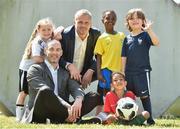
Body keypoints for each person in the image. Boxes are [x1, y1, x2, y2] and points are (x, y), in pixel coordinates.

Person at [21, 40, 102, 124]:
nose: (54, 53)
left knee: (94, 96)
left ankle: (66, 119)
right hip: (41, 112)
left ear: (61, 53)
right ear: (45, 51)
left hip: (62, 110)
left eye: (57, 50)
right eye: (51, 49)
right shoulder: (35, 69)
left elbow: (76, 88)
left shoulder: (65, 72)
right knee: (45, 91)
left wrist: (78, 100)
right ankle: (74, 120)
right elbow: (43, 90)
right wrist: (68, 107)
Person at [15, 18, 61, 122]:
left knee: (35, 93)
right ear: (38, 30)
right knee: (24, 92)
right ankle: (19, 116)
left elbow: (61, 29)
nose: (46, 32)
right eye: (43, 30)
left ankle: (34, 114)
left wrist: (58, 33)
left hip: (37, 69)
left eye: (49, 29)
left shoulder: (49, 40)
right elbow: (36, 58)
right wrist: (50, 58)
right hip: (27, 69)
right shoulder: (37, 41)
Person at [121, 8, 159, 125]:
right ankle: (129, 119)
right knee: (129, 96)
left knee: (144, 96)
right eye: (131, 18)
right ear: (128, 22)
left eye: (138, 18)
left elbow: (156, 42)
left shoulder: (146, 35)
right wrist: (122, 72)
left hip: (143, 72)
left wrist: (150, 30)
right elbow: (124, 56)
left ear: (143, 21)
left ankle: (150, 120)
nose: (135, 20)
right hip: (128, 73)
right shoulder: (127, 39)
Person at [59, 9, 101, 89]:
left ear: (91, 24)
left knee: (105, 70)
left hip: (85, 71)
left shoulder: (95, 34)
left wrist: (91, 70)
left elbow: (100, 56)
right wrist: (69, 65)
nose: (83, 25)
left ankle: (102, 97)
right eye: (80, 22)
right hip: (67, 72)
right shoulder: (65, 35)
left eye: (86, 23)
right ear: (74, 22)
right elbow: (57, 57)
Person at [94, 10, 125, 114]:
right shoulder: (101, 38)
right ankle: (99, 116)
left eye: (113, 18)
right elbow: (98, 57)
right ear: (103, 20)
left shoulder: (121, 36)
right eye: (107, 18)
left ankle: (118, 115)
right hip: (106, 72)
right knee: (103, 96)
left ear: (115, 21)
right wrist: (99, 73)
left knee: (118, 94)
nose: (110, 20)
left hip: (119, 72)